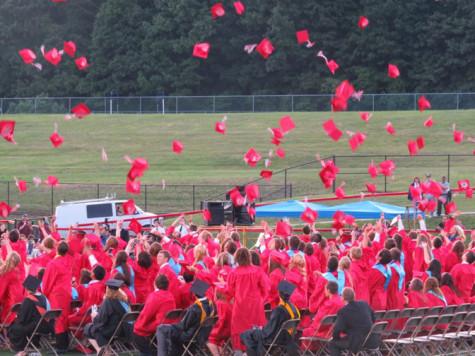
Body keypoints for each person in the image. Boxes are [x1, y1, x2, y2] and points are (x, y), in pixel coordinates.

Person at [156, 279, 215, 356]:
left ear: (194, 293)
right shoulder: (211, 305)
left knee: (161, 328)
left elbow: (183, 326)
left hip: (189, 335)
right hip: (203, 335)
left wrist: (172, 325)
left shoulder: (195, 308)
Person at [241, 281, 301, 356]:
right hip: (286, 338)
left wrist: (259, 329)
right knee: (251, 334)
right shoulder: (294, 308)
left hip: (275, 338)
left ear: (279, 293)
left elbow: (268, 332)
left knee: (246, 334)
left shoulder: (279, 310)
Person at [227, 248, 268, 353]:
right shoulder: (258, 270)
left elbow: (229, 292)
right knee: (256, 332)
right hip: (256, 307)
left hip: (240, 307)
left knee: (239, 333)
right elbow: (266, 288)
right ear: (249, 257)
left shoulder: (234, 273)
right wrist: (260, 300)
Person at [8, 275, 53, 355]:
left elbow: (22, 318)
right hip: (48, 326)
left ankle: (21, 350)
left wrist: (16, 318)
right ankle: (32, 346)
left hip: (38, 327)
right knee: (23, 326)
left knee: (14, 328)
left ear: (26, 288)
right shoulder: (43, 297)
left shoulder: (28, 300)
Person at [84, 279, 132, 353]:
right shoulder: (124, 300)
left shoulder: (109, 301)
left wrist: (94, 316)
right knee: (93, 328)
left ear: (108, 290)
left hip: (113, 331)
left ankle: (103, 350)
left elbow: (102, 320)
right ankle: (103, 350)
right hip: (124, 331)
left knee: (90, 328)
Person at [133, 275, 176, 356]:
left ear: (155, 284)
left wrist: (139, 325)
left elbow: (146, 314)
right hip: (169, 325)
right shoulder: (170, 295)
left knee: (138, 331)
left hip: (159, 326)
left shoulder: (155, 296)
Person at [41, 241, 72, 351]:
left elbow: (47, 282)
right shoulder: (68, 261)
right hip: (67, 293)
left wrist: (44, 293)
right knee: (64, 318)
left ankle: (61, 345)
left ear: (57, 249)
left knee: (58, 319)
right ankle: (64, 343)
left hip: (57, 294)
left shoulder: (53, 263)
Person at [329, 287, 377, 356]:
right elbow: (373, 319)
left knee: (333, 343)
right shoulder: (364, 304)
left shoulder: (343, 311)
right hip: (370, 339)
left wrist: (336, 338)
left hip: (356, 342)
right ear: (354, 296)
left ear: (342, 298)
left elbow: (338, 329)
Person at [301, 281, 344, 350]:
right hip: (335, 330)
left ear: (328, 290)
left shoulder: (328, 304)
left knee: (306, 331)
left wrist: (312, 323)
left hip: (325, 332)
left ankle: (311, 352)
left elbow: (320, 321)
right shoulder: (341, 301)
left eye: (325, 289)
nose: (324, 291)